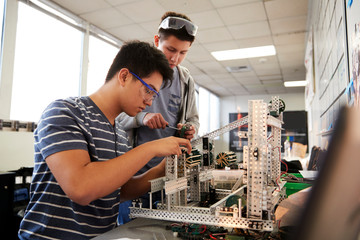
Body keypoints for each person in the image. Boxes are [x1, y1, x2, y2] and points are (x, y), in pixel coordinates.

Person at [18, 40, 192, 240]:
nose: (150, 102)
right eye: (148, 90)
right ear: (124, 76)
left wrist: (161, 170)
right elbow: (81, 187)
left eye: (154, 95)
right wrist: (151, 148)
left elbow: (119, 190)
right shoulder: (65, 112)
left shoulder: (118, 131)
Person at [117, 12, 200, 220]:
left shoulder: (186, 80)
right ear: (156, 40)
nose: (175, 58)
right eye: (170, 49)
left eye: (183, 52)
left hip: (168, 177)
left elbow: (194, 119)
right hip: (134, 177)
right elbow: (115, 118)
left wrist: (191, 128)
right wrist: (141, 118)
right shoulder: (136, 72)